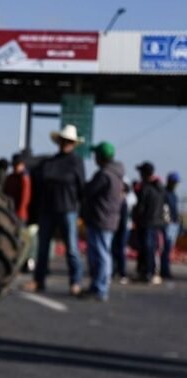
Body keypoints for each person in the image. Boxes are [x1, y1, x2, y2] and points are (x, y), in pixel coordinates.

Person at [26, 124, 85, 295]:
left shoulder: (76, 162)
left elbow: (81, 188)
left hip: (68, 209)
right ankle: (39, 280)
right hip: (47, 209)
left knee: (72, 248)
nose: (66, 143)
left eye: (69, 141)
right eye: (63, 140)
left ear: (73, 143)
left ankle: (75, 281)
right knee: (42, 248)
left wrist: (81, 211)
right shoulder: (50, 162)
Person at [79, 141, 124, 301]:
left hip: (101, 219)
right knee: (102, 254)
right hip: (108, 220)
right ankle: (98, 286)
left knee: (101, 255)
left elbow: (88, 191)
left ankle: (100, 288)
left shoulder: (105, 175)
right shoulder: (116, 175)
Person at [133, 162, 167, 284]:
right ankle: (149, 272)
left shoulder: (145, 188)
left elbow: (140, 207)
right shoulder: (161, 187)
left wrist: (136, 217)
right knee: (152, 248)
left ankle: (147, 272)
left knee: (147, 248)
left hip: (147, 222)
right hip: (157, 222)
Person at [160, 172, 180, 280]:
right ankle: (165, 270)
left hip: (174, 225)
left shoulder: (174, 195)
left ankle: (166, 269)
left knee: (169, 248)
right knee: (166, 248)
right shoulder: (165, 193)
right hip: (167, 224)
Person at [111, 179, 131, 284]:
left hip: (122, 230)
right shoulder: (120, 202)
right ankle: (114, 271)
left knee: (120, 252)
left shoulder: (123, 203)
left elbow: (124, 221)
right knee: (115, 251)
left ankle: (121, 272)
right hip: (117, 229)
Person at [3, 153, 31, 223]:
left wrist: (19, 213)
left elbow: (25, 197)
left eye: (17, 165)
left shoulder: (24, 178)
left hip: (19, 214)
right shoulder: (10, 177)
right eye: (14, 165)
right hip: (10, 211)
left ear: (23, 165)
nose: (15, 167)